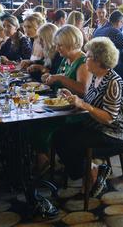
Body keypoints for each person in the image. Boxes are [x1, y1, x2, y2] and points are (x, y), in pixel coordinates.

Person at [54, 37, 123, 195]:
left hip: (114, 131)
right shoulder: (96, 76)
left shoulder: (113, 82)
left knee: (73, 144)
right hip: (95, 125)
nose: (85, 58)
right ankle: (91, 170)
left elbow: (109, 118)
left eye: (88, 56)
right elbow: (90, 102)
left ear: (99, 60)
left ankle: (92, 172)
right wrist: (73, 97)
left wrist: (83, 105)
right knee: (59, 135)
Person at [28, 25, 92, 172]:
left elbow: (83, 91)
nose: (57, 48)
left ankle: (45, 162)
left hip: (75, 113)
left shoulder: (82, 62)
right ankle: (43, 159)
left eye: (60, 45)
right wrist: (50, 77)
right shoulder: (66, 59)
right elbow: (58, 80)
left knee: (39, 126)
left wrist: (60, 78)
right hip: (60, 108)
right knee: (31, 122)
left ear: (71, 43)